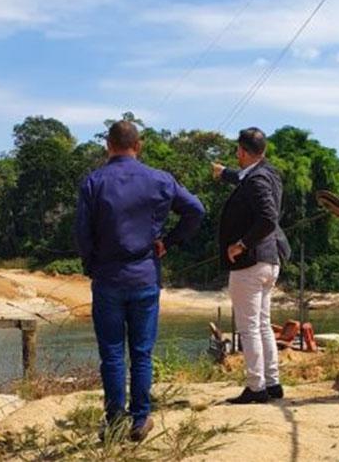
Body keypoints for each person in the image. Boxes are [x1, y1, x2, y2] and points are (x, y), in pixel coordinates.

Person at [75, 120, 205, 440]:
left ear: (108, 145)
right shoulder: (160, 179)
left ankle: (115, 420)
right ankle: (140, 418)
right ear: (139, 145)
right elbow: (196, 211)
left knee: (112, 353)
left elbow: (82, 233)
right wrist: (169, 241)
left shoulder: (93, 182)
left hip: (107, 278)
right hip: (145, 276)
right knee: (142, 352)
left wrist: (92, 266)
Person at [212, 127, 289, 404]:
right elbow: (245, 178)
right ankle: (272, 382)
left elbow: (267, 217)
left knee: (249, 328)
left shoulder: (256, 180)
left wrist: (241, 244)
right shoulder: (268, 173)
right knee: (263, 324)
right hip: (269, 260)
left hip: (251, 262)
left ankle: (256, 387)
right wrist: (224, 173)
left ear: (242, 152)